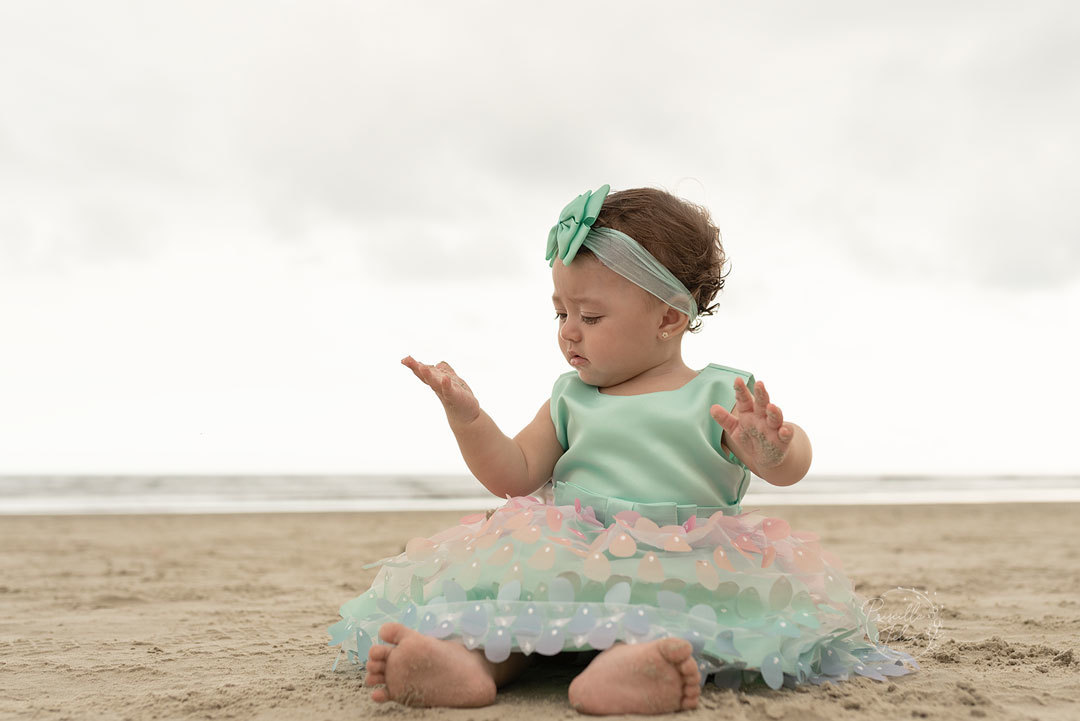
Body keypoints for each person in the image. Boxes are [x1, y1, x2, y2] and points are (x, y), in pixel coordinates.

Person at [328, 184, 919, 714]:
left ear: (667, 316)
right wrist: (468, 417)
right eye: (560, 312)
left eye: (589, 314)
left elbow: (791, 465)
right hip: (567, 551)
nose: (568, 330)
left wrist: (771, 451)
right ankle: (466, 664)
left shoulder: (718, 393)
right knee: (512, 615)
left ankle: (630, 670)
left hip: (683, 561)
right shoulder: (570, 397)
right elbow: (513, 474)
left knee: (688, 620)